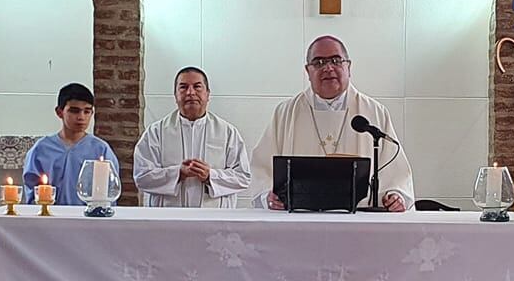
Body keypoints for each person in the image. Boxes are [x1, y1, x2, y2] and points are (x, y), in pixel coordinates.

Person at [251, 36, 415, 211]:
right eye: (319, 62)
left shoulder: (374, 112)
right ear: (308, 71)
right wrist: (268, 196)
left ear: (348, 67)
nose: (328, 68)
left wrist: (395, 196)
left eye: (336, 61)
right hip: (299, 221)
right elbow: (261, 169)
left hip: (359, 223)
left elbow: (396, 174)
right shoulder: (285, 113)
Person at [133, 67, 251, 208]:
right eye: (183, 87)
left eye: (197, 87)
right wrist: (178, 173)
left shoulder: (227, 132)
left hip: (214, 221)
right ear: (175, 95)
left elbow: (243, 177)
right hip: (168, 222)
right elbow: (142, 177)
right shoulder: (156, 132)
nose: (190, 92)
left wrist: (210, 176)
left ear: (207, 94)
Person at [24, 83, 121, 204]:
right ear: (60, 112)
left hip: (88, 218)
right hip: (50, 216)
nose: (81, 117)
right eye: (74, 111)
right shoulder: (41, 149)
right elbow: (32, 188)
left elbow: (110, 189)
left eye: (87, 111)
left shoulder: (100, 149)